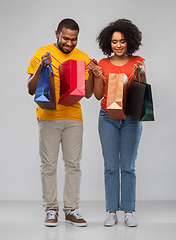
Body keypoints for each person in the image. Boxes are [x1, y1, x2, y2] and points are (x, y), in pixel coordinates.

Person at [27, 18, 94, 227]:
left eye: (74, 39)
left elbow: (89, 93)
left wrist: (91, 73)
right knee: (49, 165)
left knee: (73, 164)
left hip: (74, 117)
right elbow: (30, 89)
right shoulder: (41, 53)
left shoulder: (83, 57)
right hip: (48, 117)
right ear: (56, 33)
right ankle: (51, 209)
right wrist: (41, 67)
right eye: (65, 38)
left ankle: (72, 209)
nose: (69, 43)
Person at [92, 19, 147, 227]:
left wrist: (142, 74)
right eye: (114, 41)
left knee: (128, 166)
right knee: (110, 167)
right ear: (108, 43)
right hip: (107, 118)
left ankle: (129, 211)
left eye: (122, 41)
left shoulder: (138, 61)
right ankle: (111, 211)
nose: (118, 45)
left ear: (129, 41)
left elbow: (141, 92)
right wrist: (97, 76)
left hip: (131, 119)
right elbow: (98, 95)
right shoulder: (102, 64)